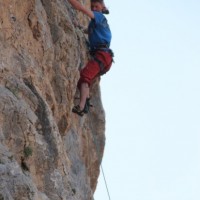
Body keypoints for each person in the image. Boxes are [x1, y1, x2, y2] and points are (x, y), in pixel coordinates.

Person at [68, 0, 113, 116]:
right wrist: (79, 27)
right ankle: (86, 101)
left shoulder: (99, 16)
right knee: (85, 80)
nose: (94, 8)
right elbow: (90, 31)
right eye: (92, 7)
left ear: (102, 7)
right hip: (104, 58)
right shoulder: (97, 22)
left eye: (96, 6)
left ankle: (82, 106)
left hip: (102, 55)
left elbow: (79, 7)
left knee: (84, 77)